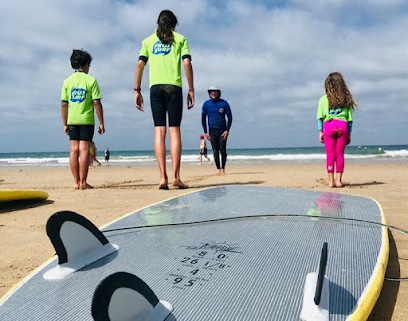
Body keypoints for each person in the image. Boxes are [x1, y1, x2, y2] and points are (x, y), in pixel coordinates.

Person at [134, 10, 195, 190]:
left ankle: (162, 177)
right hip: (174, 87)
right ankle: (176, 177)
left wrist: (136, 90)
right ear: (174, 24)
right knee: (174, 131)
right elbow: (187, 63)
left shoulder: (148, 41)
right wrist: (191, 89)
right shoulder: (180, 39)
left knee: (159, 131)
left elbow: (140, 64)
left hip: (156, 88)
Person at [61, 49, 105, 189]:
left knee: (74, 150)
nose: (89, 68)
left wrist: (65, 123)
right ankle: (83, 182)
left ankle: (76, 182)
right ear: (85, 64)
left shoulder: (67, 82)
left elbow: (64, 104)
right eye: (89, 65)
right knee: (84, 149)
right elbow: (96, 102)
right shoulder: (91, 80)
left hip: (72, 119)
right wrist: (102, 123)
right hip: (86, 120)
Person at [316, 72, 356, 188]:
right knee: (340, 155)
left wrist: (320, 132)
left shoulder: (323, 99)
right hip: (342, 126)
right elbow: (350, 119)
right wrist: (349, 133)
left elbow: (319, 118)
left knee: (330, 155)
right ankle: (338, 181)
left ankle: (330, 181)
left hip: (329, 125)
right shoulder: (346, 99)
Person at [201, 86, 233, 174]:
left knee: (222, 149)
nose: (213, 93)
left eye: (215, 92)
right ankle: (218, 168)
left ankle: (223, 168)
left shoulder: (224, 103)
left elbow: (230, 117)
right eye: (211, 92)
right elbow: (203, 118)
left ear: (218, 93)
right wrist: (206, 132)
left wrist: (227, 130)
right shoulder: (206, 104)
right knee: (215, 150)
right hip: (212, 131)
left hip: (222, 130)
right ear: (209, 94)